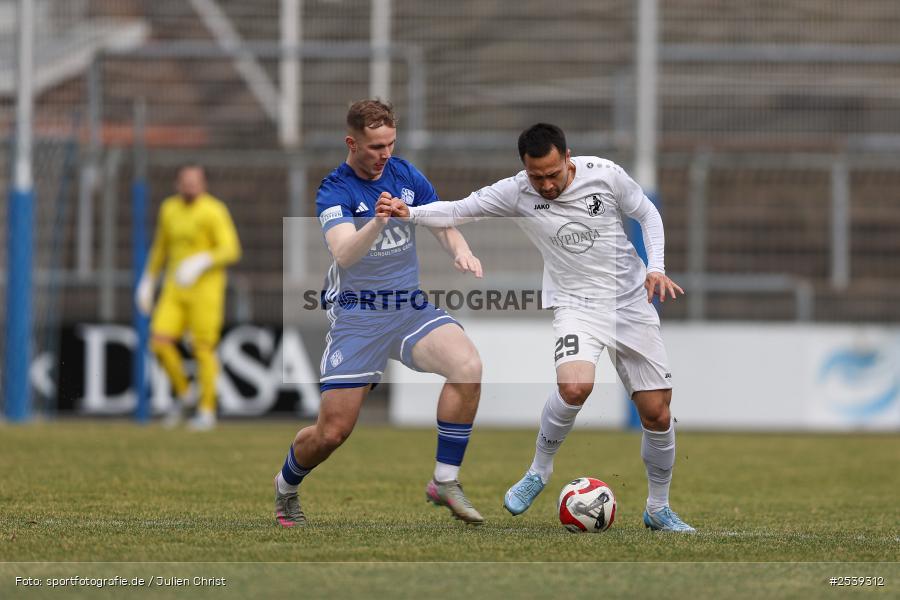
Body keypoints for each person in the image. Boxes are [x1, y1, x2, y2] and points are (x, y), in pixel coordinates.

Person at [387, 123, 695, 532]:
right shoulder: (516, 191)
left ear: (568, 159)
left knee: (656, 413)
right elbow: (460, 208)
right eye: (537, 176)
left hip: (630, 304)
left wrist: (655, 266)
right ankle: (539, 471)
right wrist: (411, 213)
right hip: (575, 306)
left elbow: (646, 212)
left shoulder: (604, 173)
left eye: (553, 174)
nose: (546, 184)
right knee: (574, 386)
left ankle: (658, 508)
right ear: (525, 169)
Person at [272, 99, 486, 528]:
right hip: (358, 317)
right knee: (332, 433)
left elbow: (437, 219)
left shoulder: (405, 173)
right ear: (352, 143)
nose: (384, 154)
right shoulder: (335, 189)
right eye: (375, 147)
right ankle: (286, 487)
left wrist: (461, 250)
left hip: (407, 307)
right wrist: (378, 220)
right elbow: (344, 253)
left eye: (390, 143)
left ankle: (445, 479)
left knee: (467, 365)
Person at [135, 164, 242, 431]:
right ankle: (185, 393)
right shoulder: (169, 209)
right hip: (174, 288)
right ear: (177, 184)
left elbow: (231, 249)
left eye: (195, 182)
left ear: (203, 184)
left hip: (205, 291)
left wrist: (203, 260)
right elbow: (161, 247)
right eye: (186, 182)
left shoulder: (214, 210)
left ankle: (206, 410)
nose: (191, 186)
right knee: (159, 342)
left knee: (203, 348)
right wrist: (148, 280)